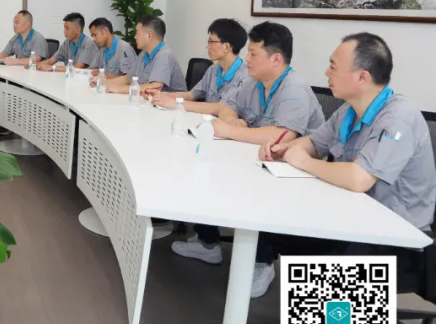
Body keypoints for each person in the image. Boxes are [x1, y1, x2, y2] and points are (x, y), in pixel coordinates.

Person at [176, 33, 436, 299]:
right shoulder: (348, 111)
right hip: (353, 216)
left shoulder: (398, 118)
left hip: (398, 238)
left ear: (362, 77)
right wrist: (284, 148)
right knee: (270, 216)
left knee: (330, 278)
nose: (326, 72)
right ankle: (269, 282)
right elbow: (313, 143)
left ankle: (334, 322)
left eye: (333, 66)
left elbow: (359, 179)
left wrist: (303, 161)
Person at [212, 21, 324, 144]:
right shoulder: (252, 81)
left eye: (253, 54)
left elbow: (282, 136)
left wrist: (230, 131)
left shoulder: (294, 89)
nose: (247, 58)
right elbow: (227, 107)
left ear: (276, 59)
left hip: (297, 155)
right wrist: (231, 120)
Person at [151, 18, 248, 115]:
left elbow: (221, 107)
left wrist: (176, 103)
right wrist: (163, 95)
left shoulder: (245, 76)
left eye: (211, 42)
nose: (207, 46)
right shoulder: (213, 69)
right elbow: (192, 95)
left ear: (226, 47)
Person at [103, 16, 186, 94]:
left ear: (149, 35)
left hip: (173, 103)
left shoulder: (164, 55)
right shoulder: (144, 53)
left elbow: (155, 87)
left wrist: (118, 89)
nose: (135, 37)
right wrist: (104, 83)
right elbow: (128, 78)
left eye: (137, 33)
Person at [86, 17, 137, 88]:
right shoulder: (102, 50)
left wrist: (104, 76)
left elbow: (129, 79)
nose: (94, 39)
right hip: (105, 89)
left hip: (119, 91)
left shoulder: (124, 48)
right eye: (92, 36)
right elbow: (91, 69)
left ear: (105, 31)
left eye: (95, 35)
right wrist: (94, 72)